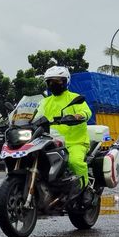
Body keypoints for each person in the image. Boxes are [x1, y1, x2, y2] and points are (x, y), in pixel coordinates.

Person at [36, 65, 92, 193]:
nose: (53, 84)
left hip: (75, 142)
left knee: (74, 162)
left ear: (66, 81)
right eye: (50, 81)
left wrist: (78, 116)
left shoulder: (74, 98)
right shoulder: (45, 102)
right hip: (50, 142)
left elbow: (86, 112)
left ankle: (85, 191)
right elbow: (36, 115)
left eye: (57, 81)